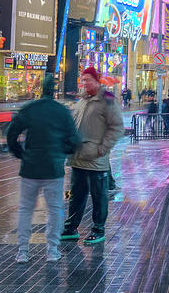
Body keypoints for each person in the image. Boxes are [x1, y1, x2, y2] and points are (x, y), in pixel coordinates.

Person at [7, 74, 81, 263]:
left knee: (25, 209)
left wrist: (20, 153)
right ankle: (52, 250)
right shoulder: (62, 111)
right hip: (53, 168)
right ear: (54, 91)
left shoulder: (30, 109)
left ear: (41, 89)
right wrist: (61, 153)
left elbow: (11, 133)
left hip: (30, 167)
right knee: (55, 209)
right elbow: (74, 140)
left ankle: (23, 251)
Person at [62, 67, 123, 246]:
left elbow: (117, 128)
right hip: (78, 157)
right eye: (83, 79)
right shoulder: (82, 101)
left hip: (96, 159)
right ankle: (71, 227)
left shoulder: (107, 100)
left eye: (88, 79)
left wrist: (101, 149)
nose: (84, 83)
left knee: (99, 195)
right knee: (77, 194)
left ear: (97, 81)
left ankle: (98, 229)